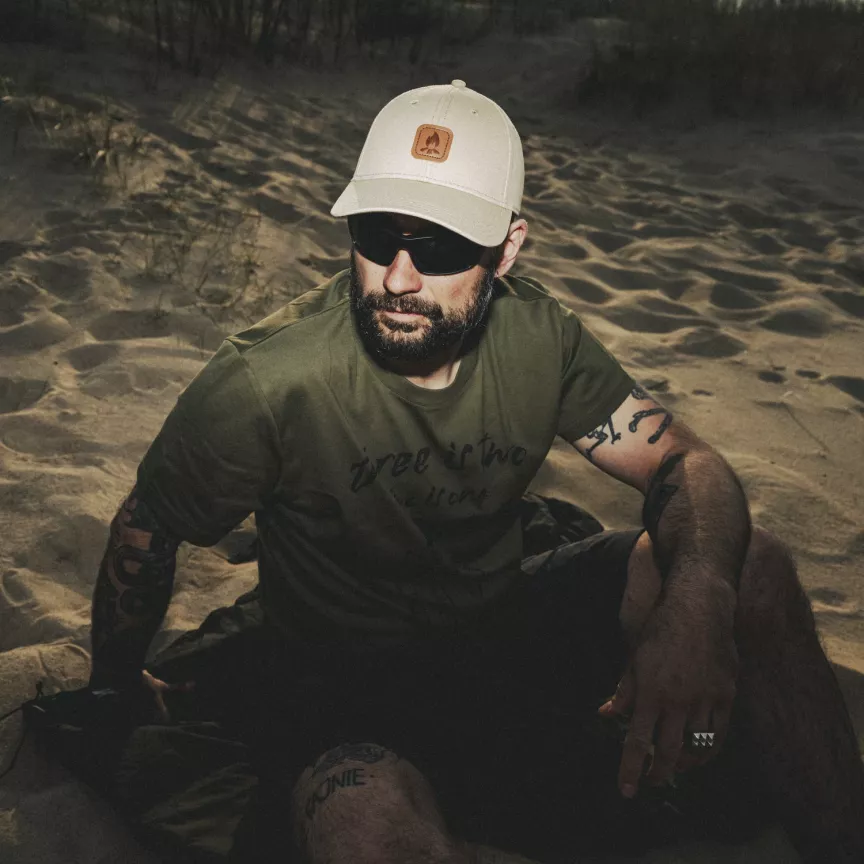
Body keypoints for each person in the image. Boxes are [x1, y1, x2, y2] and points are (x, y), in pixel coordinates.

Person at [88, 80, 864, 864]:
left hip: (500, 631)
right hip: (342, 685)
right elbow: (146, 529)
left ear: (507, 249)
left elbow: (685, 461)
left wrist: (696, 606)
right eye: (375, 235)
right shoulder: (266, 382)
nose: (398, 278)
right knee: (360, 822)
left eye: (441, 248)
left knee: (753, 569)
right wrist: (119, 681)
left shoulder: (540, 338)